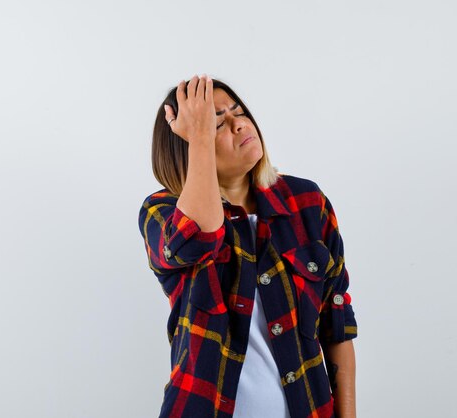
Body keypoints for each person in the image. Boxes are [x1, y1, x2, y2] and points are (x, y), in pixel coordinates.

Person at [137, 74, 357, 418]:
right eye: (217, 123)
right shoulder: (162, 212)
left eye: (239, 112)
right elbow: (201, 233)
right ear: (189, 143)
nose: (239, 125)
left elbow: (338, 327)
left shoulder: (307, 203)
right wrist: (199, 137)